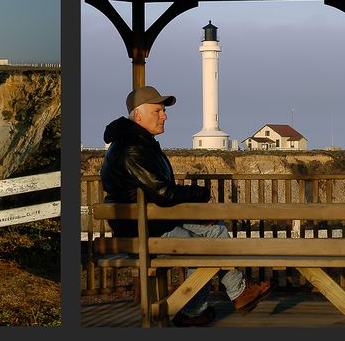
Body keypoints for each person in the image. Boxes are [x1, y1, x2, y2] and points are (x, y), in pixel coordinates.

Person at [101, 85, 272, 327]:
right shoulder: (132, 147)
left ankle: (224, 298)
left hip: (153, 218)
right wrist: (200, 194)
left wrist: (197, 211)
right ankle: (198, 308)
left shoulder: (139, 141)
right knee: (207, 246)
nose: (164, 116)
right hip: (143, 229)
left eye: (163, 111)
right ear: (138, 115)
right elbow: (163, 192)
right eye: (157, 111)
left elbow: (158, 193)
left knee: (216, 231)